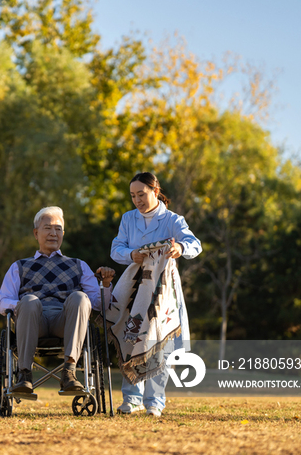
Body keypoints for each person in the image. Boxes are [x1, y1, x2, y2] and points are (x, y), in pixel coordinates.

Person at [109, 172, 202, 417]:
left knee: (160, 343)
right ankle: (131, 399)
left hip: (163, 292)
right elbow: (116, 248)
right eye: (132, 196)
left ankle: (155, 402)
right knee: (132, 339)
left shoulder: (172, 219)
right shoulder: (128, 219)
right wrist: (131, 255)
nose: (137, 200)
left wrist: (179, 247)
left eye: (141, 194)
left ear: (155, 190)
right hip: (135, 289)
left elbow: (195, 244)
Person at [0, 206, 115, 394]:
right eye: (47, 228)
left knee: (80, 297)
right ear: (36, 233)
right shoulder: (19, 266)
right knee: (29, 301)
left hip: (65, 320)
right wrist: (24, 305)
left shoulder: (79, 265)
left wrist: (106, 284)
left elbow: (100, 304)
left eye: (58, 229)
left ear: (63, 234)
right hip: (34, 321)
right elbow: (3, 302)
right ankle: (24, 373)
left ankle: (69, 372)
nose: (53, 233)